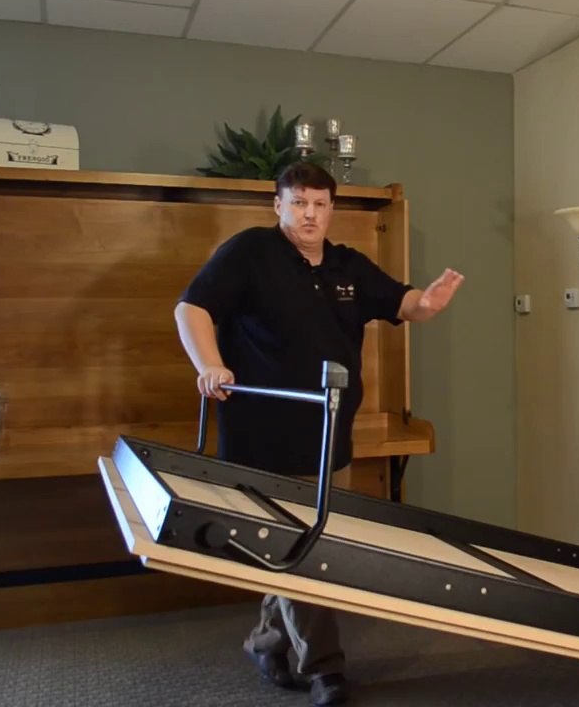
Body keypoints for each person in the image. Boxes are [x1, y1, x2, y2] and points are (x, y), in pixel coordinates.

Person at [173, 161, 463, 706]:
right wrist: (209, 365)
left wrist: (427, 304)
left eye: (320, 204)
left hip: (331, 436)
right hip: (262, 434)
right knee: (304, 549)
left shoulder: (347, 264)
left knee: (301, 548)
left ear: (332, 210)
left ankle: (265, 642)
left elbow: (402, 301)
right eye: (299, 202)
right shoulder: (249, 252)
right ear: (278, 205)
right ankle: (325, 669)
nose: (309, 213)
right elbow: (191, 308)